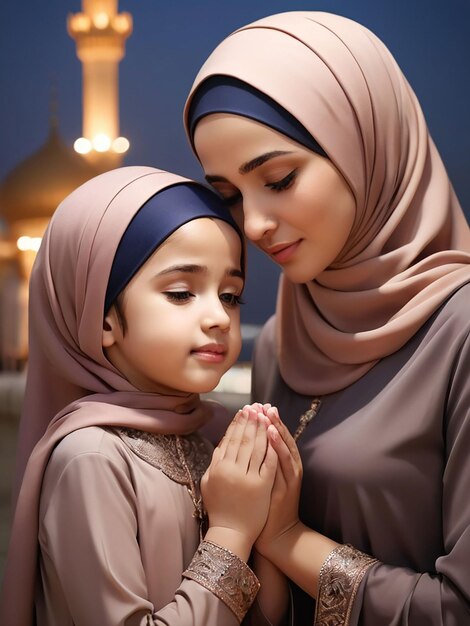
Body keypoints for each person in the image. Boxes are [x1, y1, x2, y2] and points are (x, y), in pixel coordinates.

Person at [183, 11, 470, 625]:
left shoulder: (460, 332)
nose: (253, 225)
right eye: (230, 196)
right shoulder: (284, 337)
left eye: (279, 179)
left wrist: (286, 536)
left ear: (364, 145)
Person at [0, 165, 286, 626]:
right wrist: (232, 532)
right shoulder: (92, 457)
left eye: (231, 295)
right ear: (102, 317)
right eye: (180, 293)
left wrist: (272, 522)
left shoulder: (210, 436)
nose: (218, 316)